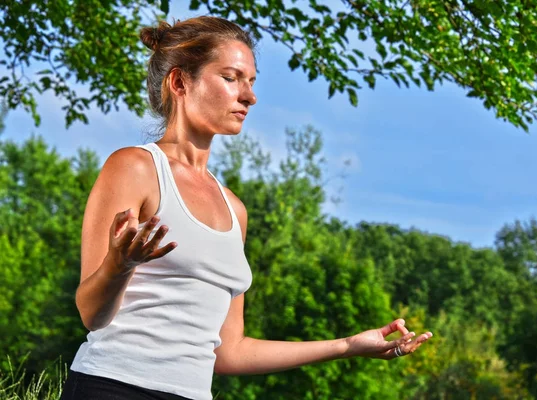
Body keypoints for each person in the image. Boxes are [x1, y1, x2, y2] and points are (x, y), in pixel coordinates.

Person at [60, 16, 433, 400]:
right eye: (231, 77)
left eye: (252, 82)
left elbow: (229, 351)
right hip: (113, 387)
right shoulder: (135, 168)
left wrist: (348, 345)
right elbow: (92, 313)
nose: (249, 96)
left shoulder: (235, 210)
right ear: (179, 82)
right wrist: (118, 266)